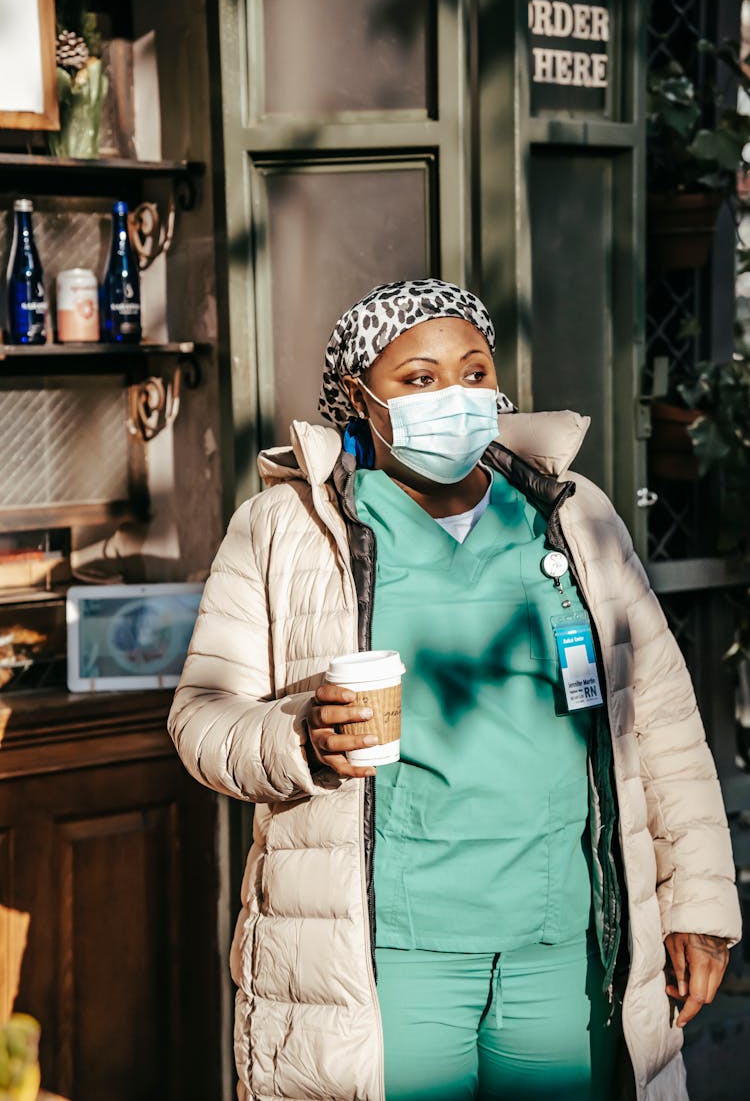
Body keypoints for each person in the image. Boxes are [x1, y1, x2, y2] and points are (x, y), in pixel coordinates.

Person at [168, 279, 741, 1101]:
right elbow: (200, 718)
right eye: (419, 379)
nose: (457, 397)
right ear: (360, 399)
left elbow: (662, 721)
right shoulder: (286, 530)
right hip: (389, 956)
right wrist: (297, 737)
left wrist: (700, 905)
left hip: (563, 942)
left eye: (474, 372)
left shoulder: (571, 516)